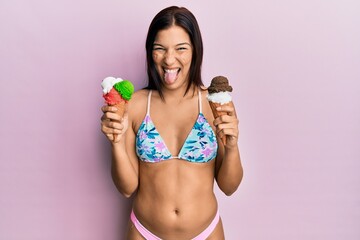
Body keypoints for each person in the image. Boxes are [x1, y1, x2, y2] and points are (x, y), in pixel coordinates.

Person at [101, 6, 243, 239]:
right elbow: (126, 188)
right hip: (145, 232)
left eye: (181, 49)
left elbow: (229, 186)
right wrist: (116, 142)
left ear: (195, 51)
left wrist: (233, 146)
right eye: (160, 49)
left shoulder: (213, 104)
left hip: (205, 233)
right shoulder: (135, 105)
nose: (169, 59)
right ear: (150, 53)